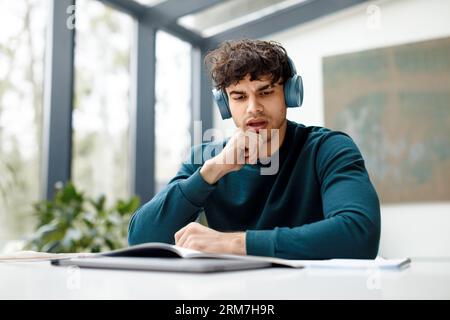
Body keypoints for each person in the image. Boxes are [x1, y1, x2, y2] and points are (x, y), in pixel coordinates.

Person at [128, 39, 380, 260]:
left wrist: (234, 243)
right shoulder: (207, 159)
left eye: (266, 92)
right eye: (238, 97)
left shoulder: (328, 149)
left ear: (290, 95)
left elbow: (359, 235)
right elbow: (141, 239)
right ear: (225, 104)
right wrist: (210, 173)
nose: (253, 108)